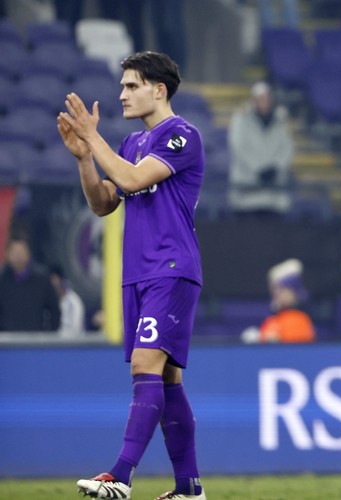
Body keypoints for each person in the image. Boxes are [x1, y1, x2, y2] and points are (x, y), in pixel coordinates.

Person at [59, 51, 207, 500]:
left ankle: (120, 476)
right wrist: (86, 157)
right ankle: (189, 488)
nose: (122, 94)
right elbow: (104, 201)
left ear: (157, 90)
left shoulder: (182, 136)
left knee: (146, 364)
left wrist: (94, 136)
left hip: (171, 268)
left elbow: (134, 180)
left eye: (130, 85)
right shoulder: (129, 144)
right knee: (165, 379)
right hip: (137, 274)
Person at [227, 81, 295, 215]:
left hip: (274, 196)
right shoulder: (241, 120)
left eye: (266, 99)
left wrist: (275, 168)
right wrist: (259, 169)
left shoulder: (280, 121)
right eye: (259, 99)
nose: (263, 103)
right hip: (247, 194)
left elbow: (287, 148)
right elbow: (240, 148)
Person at [242, 258, 315, 343]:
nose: (276, 294)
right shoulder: (274, 319)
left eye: (281, 290)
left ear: (294, 292)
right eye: (274, 289)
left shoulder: (299, 319)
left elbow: (293, 350)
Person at [0, 236, 61, 332]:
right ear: (7, 254)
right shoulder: (2, 279)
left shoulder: (42, 279)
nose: (18, 256)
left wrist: (49, 336)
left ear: (28, 253)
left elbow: (54, 310)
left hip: (35, 340)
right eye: (14, 252)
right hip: (6, 340)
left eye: (21, 252)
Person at [52, 266, 86, 338]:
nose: (53, 284)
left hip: (71, 345)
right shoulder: (48, 302)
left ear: (61, 281)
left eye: (55, 280)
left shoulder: (73, 301)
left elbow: (76, 329)